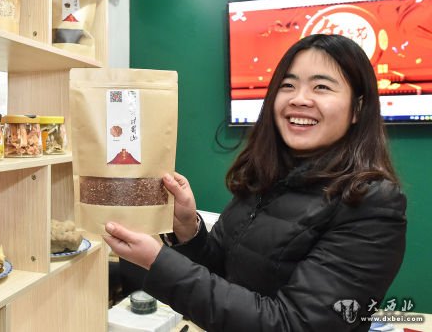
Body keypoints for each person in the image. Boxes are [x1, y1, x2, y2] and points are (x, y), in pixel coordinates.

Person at [103, 34, 407, 331]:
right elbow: (223, 273)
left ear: (357, 109)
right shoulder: (266, 177)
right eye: (288, 85)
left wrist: (158, 261)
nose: (299, 99)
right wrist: (188, 229)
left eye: (321, 87)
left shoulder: (373, 203)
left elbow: (292, 323)